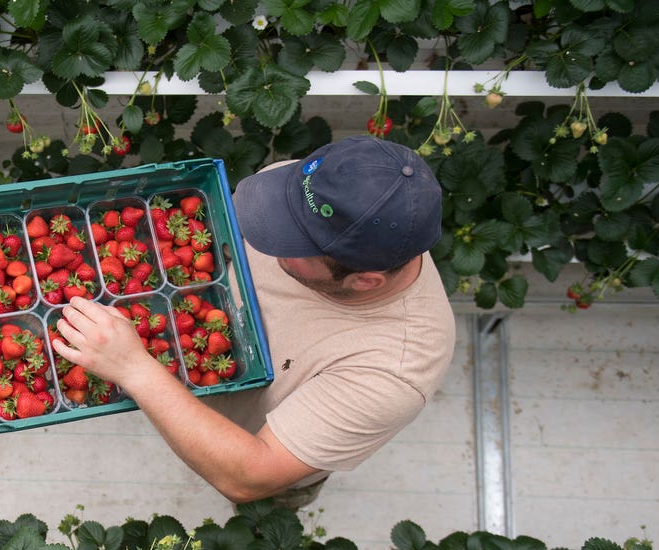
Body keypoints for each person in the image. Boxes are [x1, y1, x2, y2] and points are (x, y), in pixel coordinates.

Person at [51, 135, 456, 509]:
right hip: (192, 355)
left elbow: (249, 476)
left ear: (364, 280)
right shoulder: (316, 191)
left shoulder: (395, 368)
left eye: (292, 245)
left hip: (252, 443)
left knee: (268, 506)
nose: (268, 237)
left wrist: (134, 369)